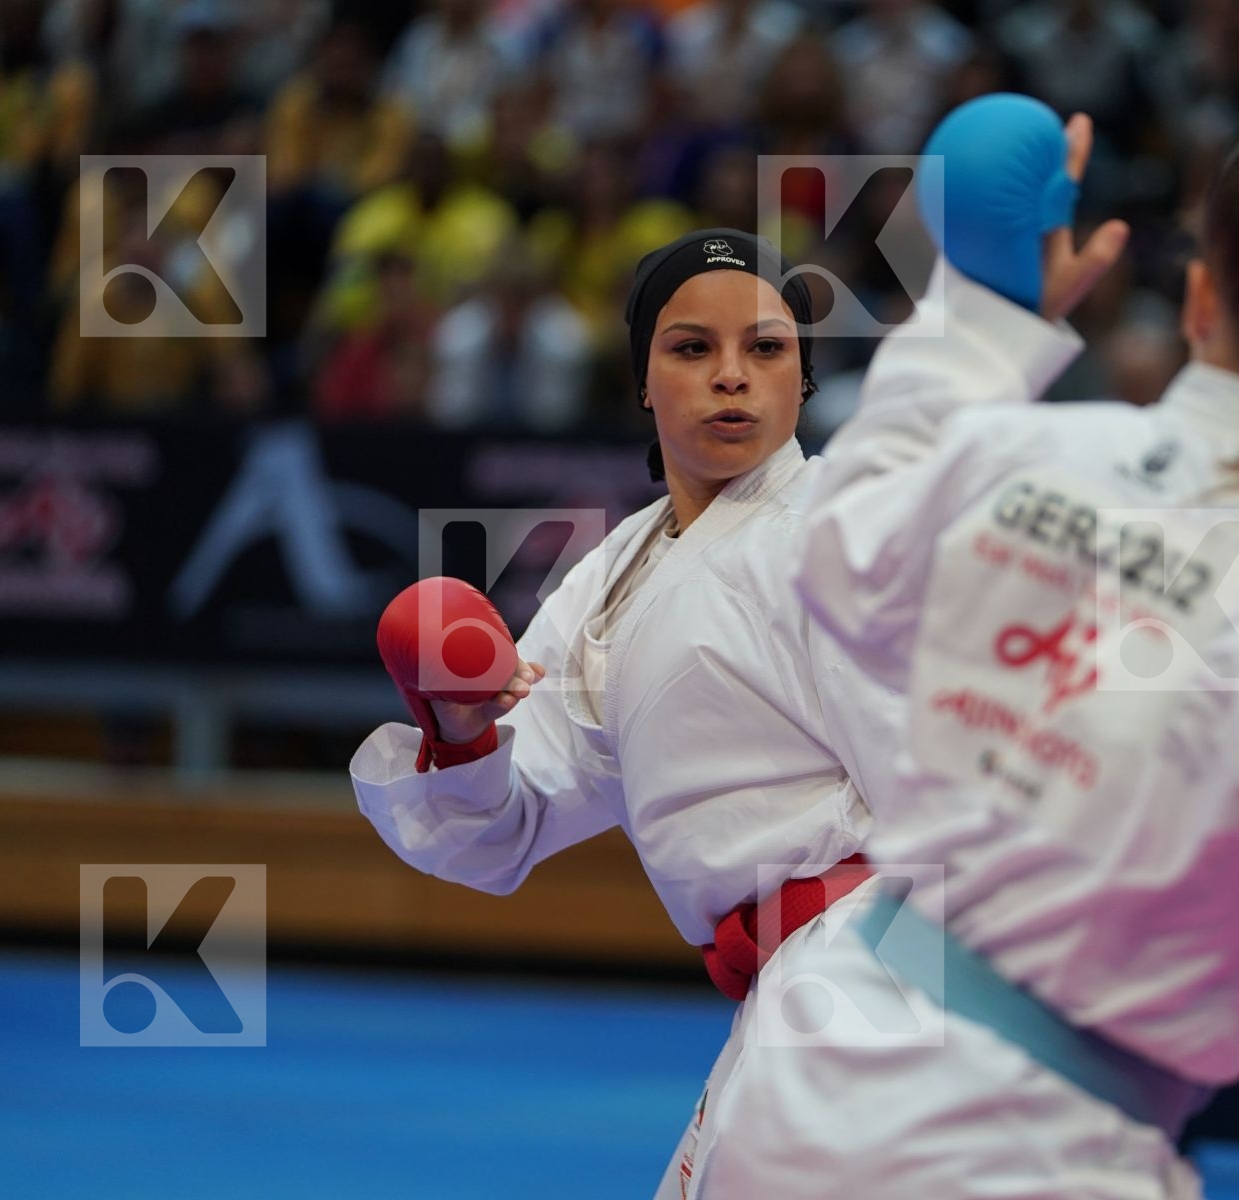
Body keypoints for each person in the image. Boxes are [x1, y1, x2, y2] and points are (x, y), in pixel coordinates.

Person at [689, 102, 1239, 1197]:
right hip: (1034, 1155)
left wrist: (979, 310)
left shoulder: (1032, 451)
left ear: (1200, 300)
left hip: (804, 1075)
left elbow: (835, 559)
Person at [347, 228, 902, 1199]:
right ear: (642, 380)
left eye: (766, 349)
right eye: (693, 348)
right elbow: (503, 834)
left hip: (881, 966)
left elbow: (958, 787)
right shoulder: (613, 578)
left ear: (806, 380)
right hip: (793, 987)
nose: (732, 376)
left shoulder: (844, 532)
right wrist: (457, 729)